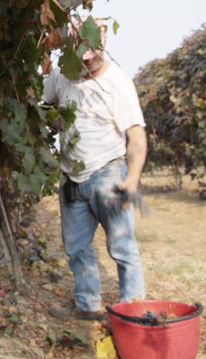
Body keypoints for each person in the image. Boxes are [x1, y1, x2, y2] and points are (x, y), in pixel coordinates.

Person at [43, 16, 147, 321]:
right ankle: (88, 305)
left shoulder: (118, 82)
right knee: (76, 248)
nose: (86, 63)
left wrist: (133, 178)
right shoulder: (63, 76)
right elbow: (44, 106)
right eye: (80, 56)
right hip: (72, 179)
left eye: (92, 56)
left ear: (102, 47)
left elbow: (136, 134)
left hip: (108, 176)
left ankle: (132, 312)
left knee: (122, 246)